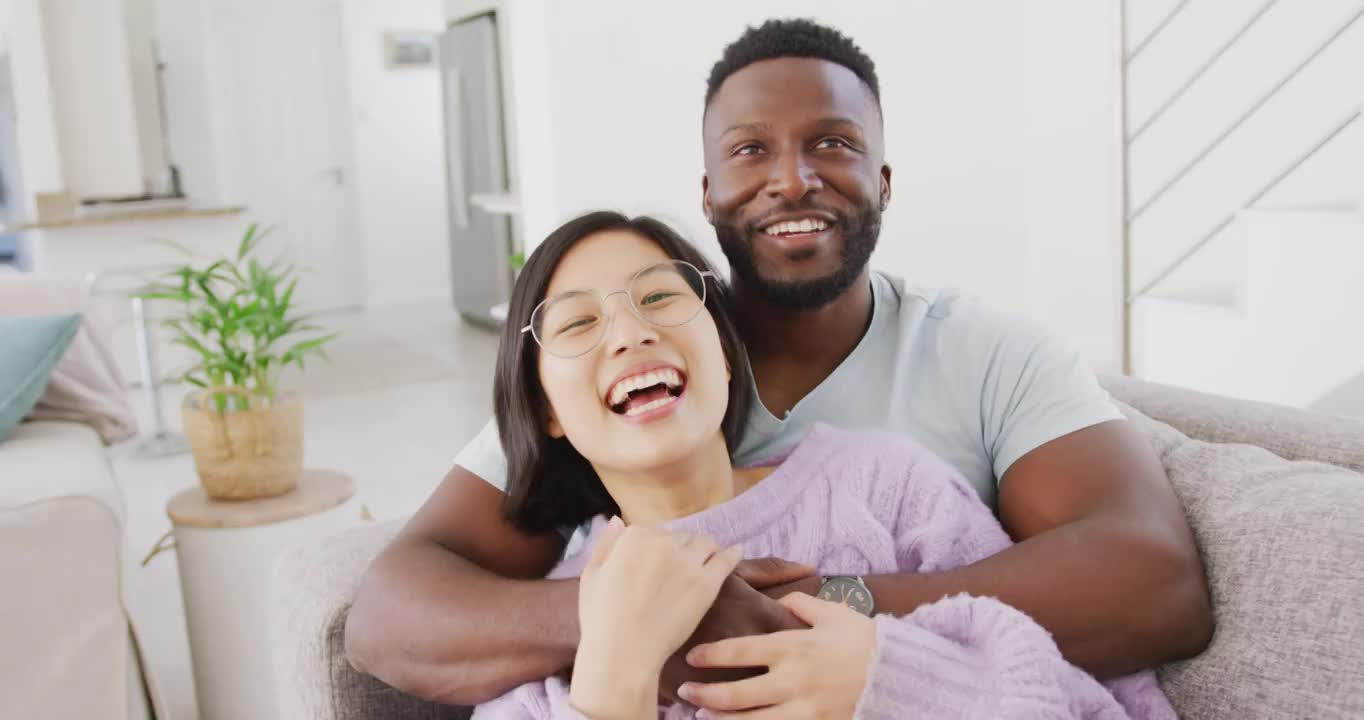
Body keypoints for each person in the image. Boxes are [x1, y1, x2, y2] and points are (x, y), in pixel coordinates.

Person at [345, 18, 1212, 712]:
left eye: (832, 143)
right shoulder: (638, 366)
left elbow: (1157, 584)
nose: (793, 180)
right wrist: (645, 619)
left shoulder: (983, 363)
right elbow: (391, 616)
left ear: (884, 177)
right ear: (708, 194)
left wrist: (833, 613)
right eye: (750, 150)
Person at [466, 210, 1176, 718]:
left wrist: (885, 681)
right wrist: (613, 687)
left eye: (658, 296)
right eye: (578, 323)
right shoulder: (535, 658)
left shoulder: (887, 487)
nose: (631, 332)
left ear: (719, 343)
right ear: (546, 409)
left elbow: (1091, 703)